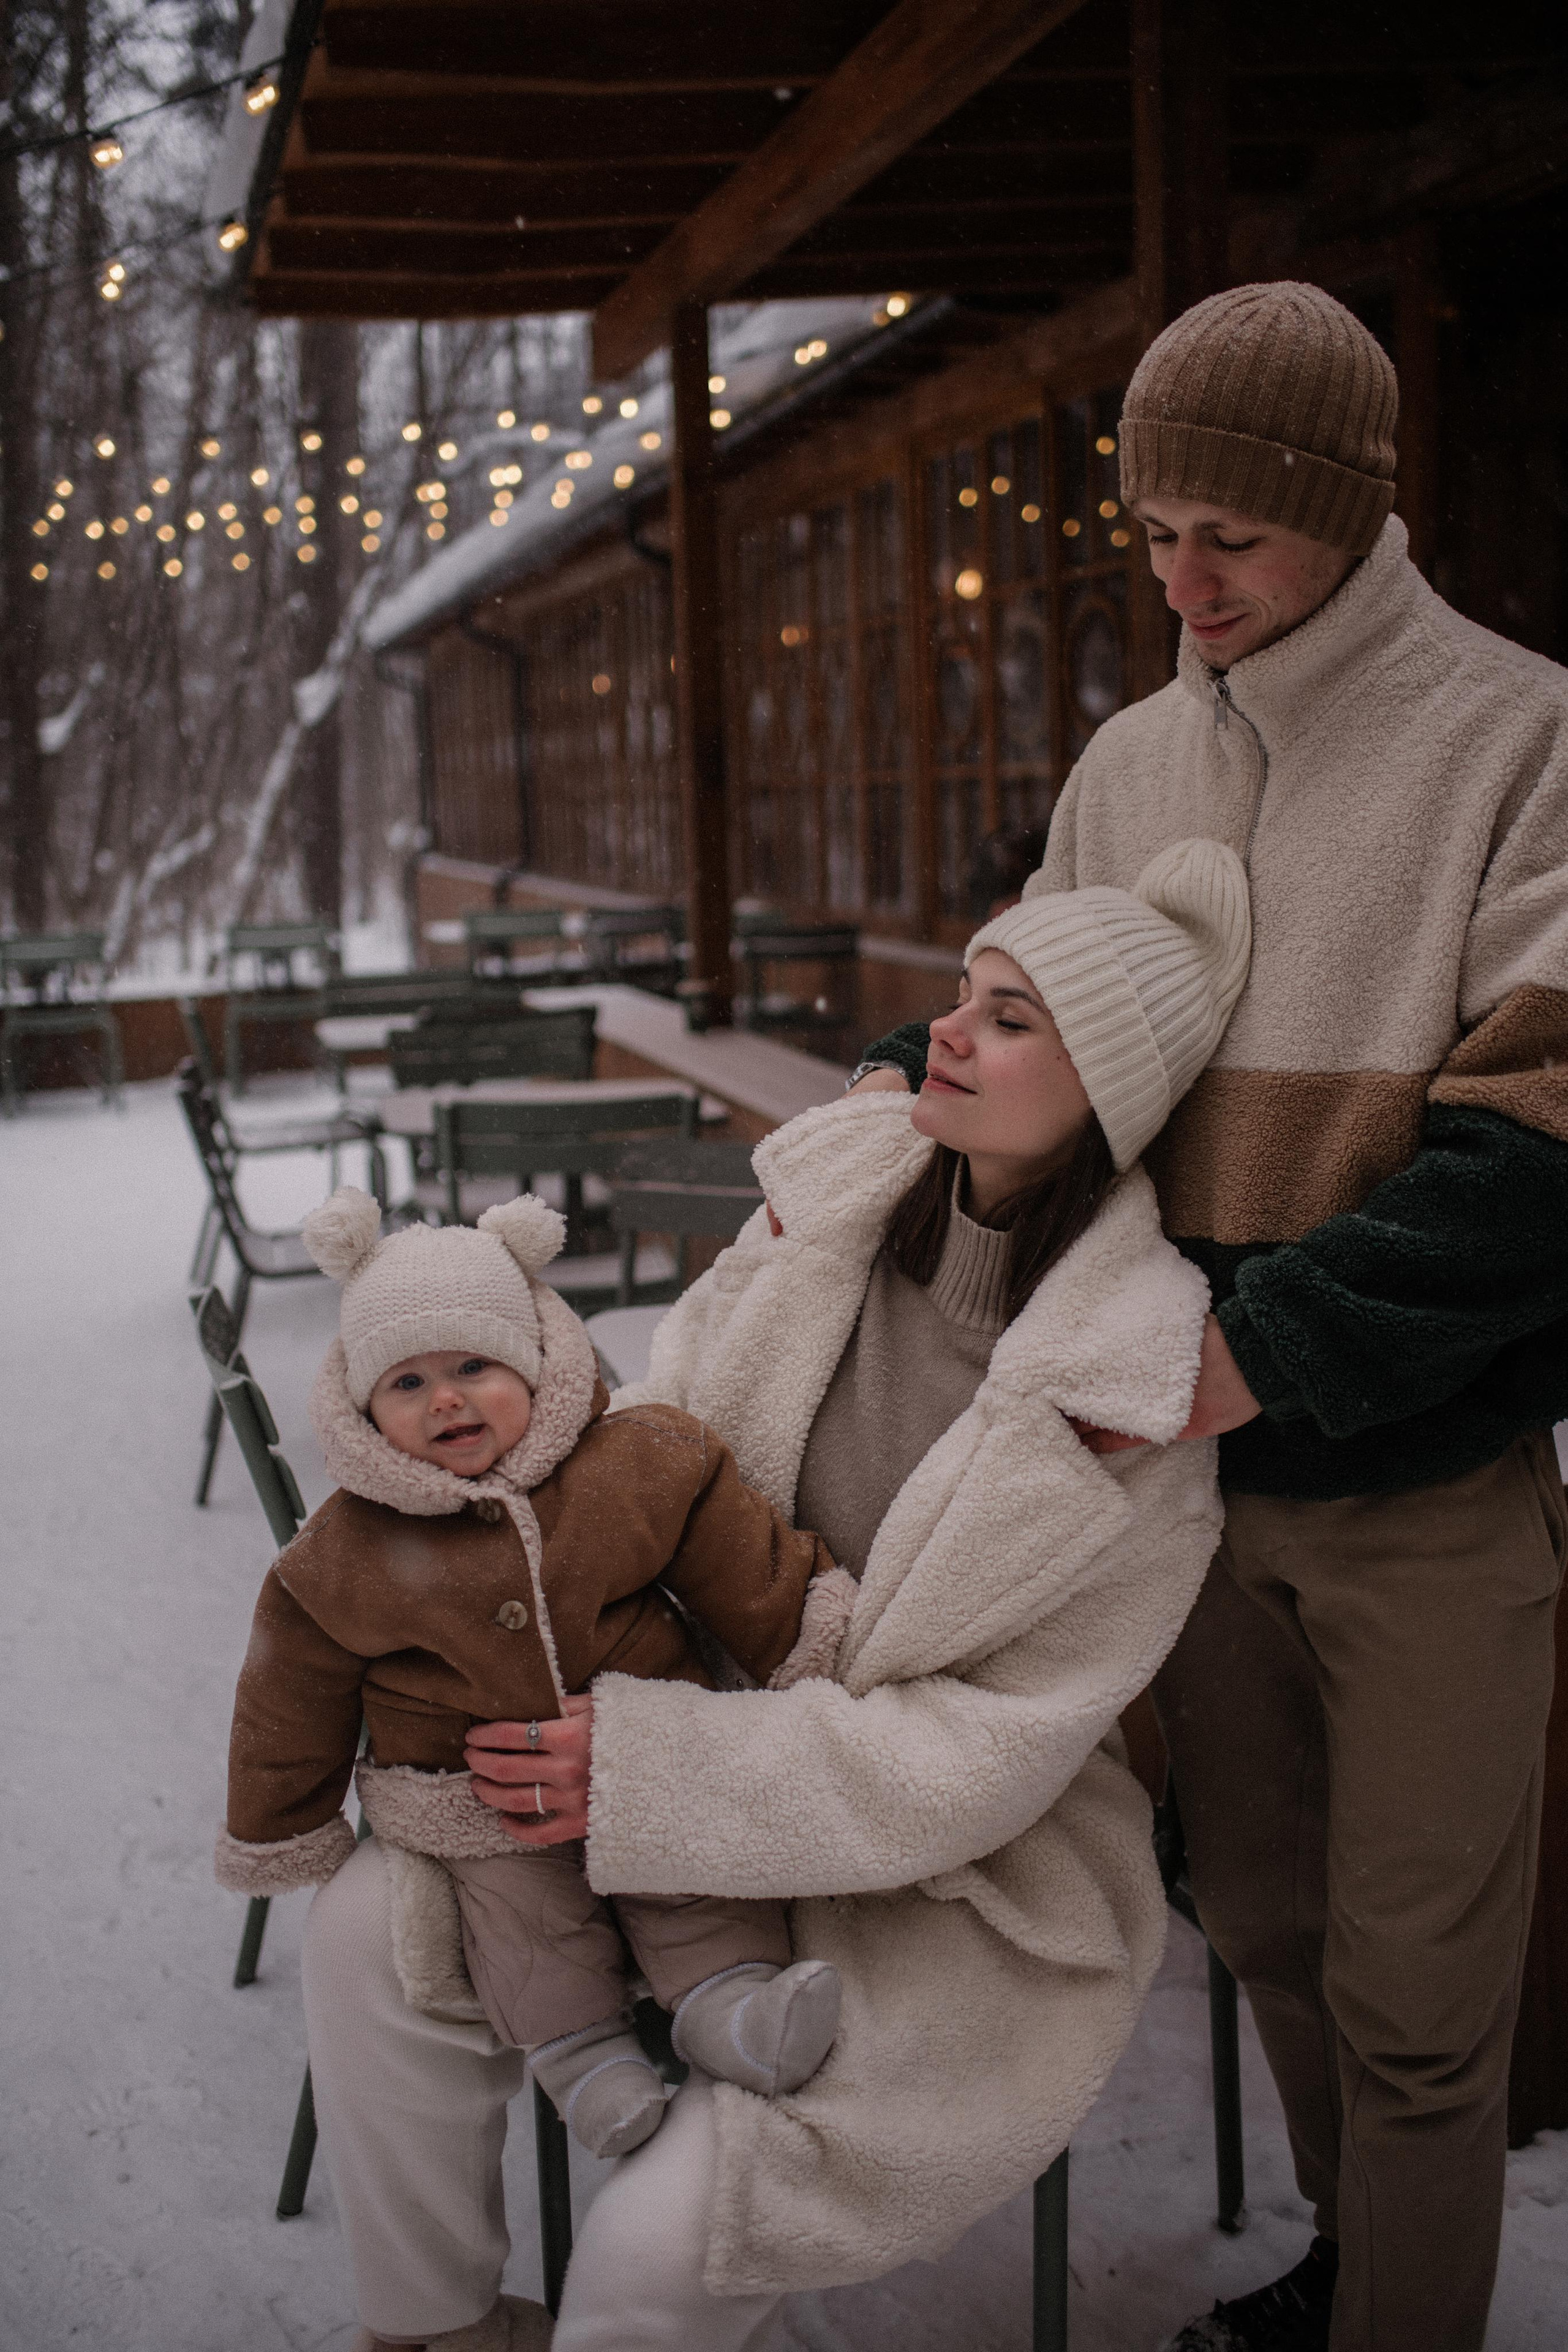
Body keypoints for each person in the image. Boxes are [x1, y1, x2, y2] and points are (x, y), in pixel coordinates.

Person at [850, 279, 1568, 2352]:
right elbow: (1047, 1028)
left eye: (1228, 535)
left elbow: (1544, 1150)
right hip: (1184, 1498)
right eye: (1154, 531)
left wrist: (1267, 1349)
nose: (1185, 579)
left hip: (1421, 1488)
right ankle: (1361, 2273)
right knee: (1261, 1925)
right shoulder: (1131, 757)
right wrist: (908, 1091)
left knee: (1425, 2006)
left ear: (1347, 506)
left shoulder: (1516, 740)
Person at [297, 839, 1252, 2352]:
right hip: (666, 1727)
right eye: (963, 995)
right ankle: (433, 2329)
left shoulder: (1134, 1389)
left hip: (945, 1867)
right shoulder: (833, 1211)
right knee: (363, 1924)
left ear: (1113, 1091)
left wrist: (656, 1769)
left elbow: (987, 1754)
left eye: (1010, 1020)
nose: (942, 1032)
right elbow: (649, 1440)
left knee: (659, 2245)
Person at [216, 1191, 851, 2166]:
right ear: (362, 1407)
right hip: (481, 1799)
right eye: (409, 1383)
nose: (447, 1400)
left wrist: (802, 1637)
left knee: (695, 1880)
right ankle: (587, 2067)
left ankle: (731, 2012)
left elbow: (734, 1553)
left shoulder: (633, 1463)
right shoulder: (343, 1553)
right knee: (524, 1929)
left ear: (534, 1359)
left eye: (474, 1366)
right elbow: (288, 1693)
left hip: (648, 1756)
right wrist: (285, 1823)